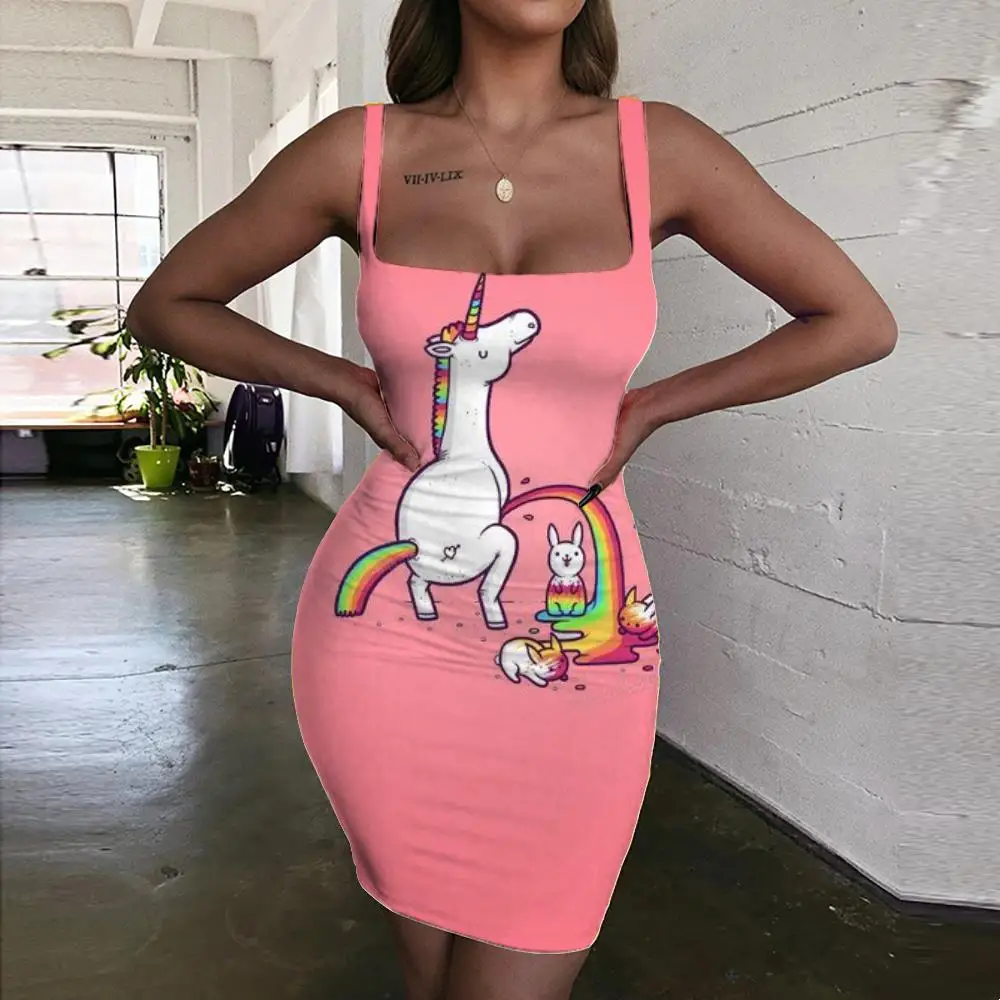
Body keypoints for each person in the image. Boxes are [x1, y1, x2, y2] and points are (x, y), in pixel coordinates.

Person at [127, 1, 897, 996]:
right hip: (385, 651)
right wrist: (345, 383)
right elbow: (168, 303)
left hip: (580, 642)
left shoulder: (659, 150)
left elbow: (855, 320)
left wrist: (653, 407)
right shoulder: (360, 152)